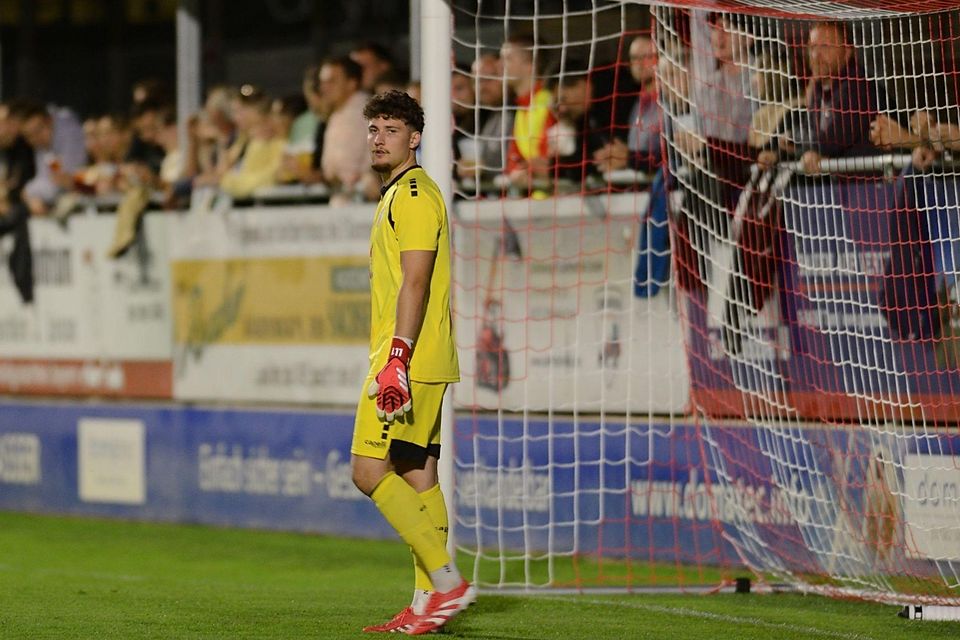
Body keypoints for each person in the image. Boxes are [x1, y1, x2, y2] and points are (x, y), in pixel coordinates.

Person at [353, 90, 474, 635]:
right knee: (418, 474)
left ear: (415, 137)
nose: (379, 138)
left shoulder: (416, 195)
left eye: (391, 129)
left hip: (408, 360)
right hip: (418, 357)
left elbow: (418, 280)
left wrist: (396, 358)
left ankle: (447, 583)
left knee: (368, 471)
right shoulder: (398, 193)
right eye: (373, 129)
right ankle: (428, 603)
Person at [758, 21, 881, 173]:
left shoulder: (859, 87)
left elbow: (828, 142)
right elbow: (808, 131)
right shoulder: (819, 88)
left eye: (825, 46)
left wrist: (794, 147)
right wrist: (780, 150)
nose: (816, 55)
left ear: (847, 52)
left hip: (866, 188)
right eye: (812, 47)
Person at [594, 34, 662, 174]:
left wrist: (629, 158)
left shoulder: (670, 103)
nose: (639, 64)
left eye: (647, 57)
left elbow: (671, 158)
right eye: (634, 58)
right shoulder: (637, 103)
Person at [501, 34, 557, 190]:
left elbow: (552, 159)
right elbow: (514, 159)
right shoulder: (520, 108)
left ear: (529, 65)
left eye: (508, 59)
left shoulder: (550, 102)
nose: (501, 65)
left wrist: (529, 170)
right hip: (533, 203)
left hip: (556, 203)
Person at [319, 56, 372, 204]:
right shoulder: (337, 113)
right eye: (322, 82)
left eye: (331, 81)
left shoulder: (366, 112)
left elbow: (347, 172)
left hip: (364, 204)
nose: (324, 88)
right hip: (344, 203)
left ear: (351, 83)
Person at [20, 101, 87, 216]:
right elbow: (47, 178)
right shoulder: (44, 149)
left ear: (50, 121)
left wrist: (30, 192)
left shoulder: (71, 133)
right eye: (29, 136)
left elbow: (68, 179)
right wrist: (30, 195)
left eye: (38, 131)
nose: (35, 138)